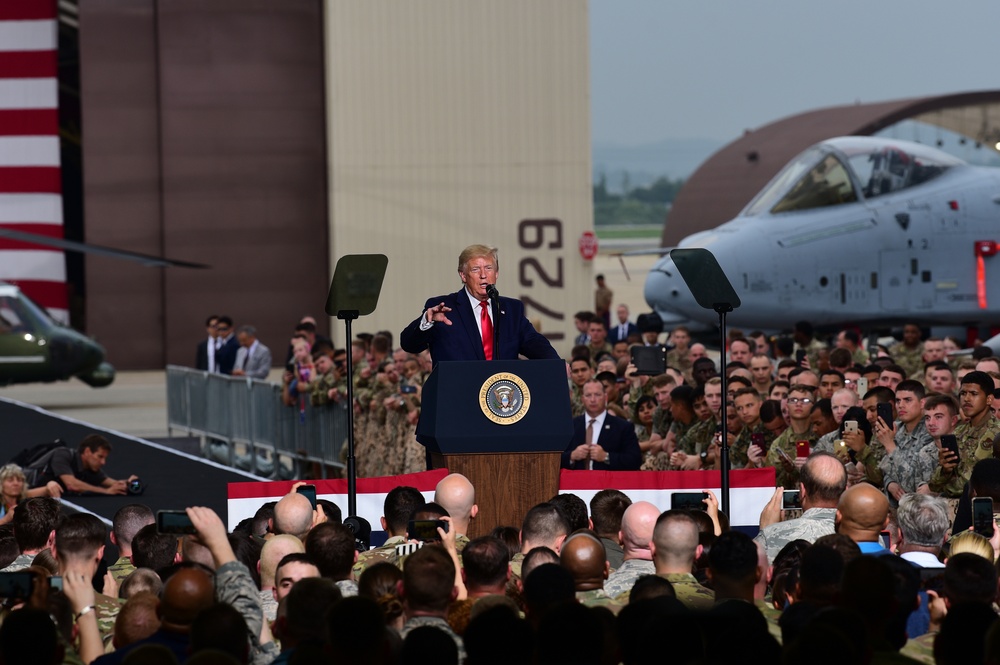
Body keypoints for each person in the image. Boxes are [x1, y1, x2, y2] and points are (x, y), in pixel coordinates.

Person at [400, 244, 559, 364]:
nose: (483, 275)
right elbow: (409, 344)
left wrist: (556, 364)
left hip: (499, 399)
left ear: (496, 274)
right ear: (463, 275)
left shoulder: (511, 309)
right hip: (458, 398)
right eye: (476, 269)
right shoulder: (443, 307)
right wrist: (427, 322)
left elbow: (535, 344)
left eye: (489, 268)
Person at [754, 452, 847, 564]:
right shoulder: (858, 532)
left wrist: (768, 531)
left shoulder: (771, 536)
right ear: (846, 491)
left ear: (802, 491)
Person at [561, 379, 642, 470]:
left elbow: (635, 460)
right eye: (588, 395)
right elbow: (554, 459)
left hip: (609, 482)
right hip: (576, 481)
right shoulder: (570, 426)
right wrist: (571, 456)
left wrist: (606, 457)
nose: (592, 400)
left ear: (605, 397)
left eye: (597, 395)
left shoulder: (623, 427)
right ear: (582, 399)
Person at [33, 434, 137, 496]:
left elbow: (113, 483)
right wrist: (106, 491)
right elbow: (72, 484)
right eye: (100, 457)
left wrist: (129, 484)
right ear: (87, 451)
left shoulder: (90, 468)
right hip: (27, 487)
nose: (103, 462)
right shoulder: (62, 454)